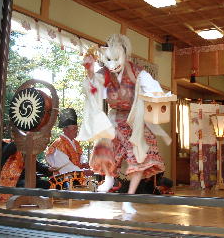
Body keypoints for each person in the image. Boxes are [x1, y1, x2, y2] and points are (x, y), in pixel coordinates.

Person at [79, 34, 171, 214]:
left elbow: (155, 91)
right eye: (109, 60)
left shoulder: (139, 72)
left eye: (116, 59)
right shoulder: (104, 73)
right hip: (114, 118)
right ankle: (108, 179)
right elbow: (93, 89)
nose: (113, 64)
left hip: (135, 118)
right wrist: (90, 69)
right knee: (104, 148)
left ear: (125, 54)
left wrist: (159, 98)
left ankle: (129, 198)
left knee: (139, 156)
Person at [45, 108, 84, 174]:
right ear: (65, 129)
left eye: (77, 128)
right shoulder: (59, 144)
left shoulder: (76, 144)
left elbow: (79, 163)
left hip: (77, 177)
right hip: (63, 180)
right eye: (74, 128)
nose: (76, 131)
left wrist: (84, 165)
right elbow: (65, 167)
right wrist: (83, 172)